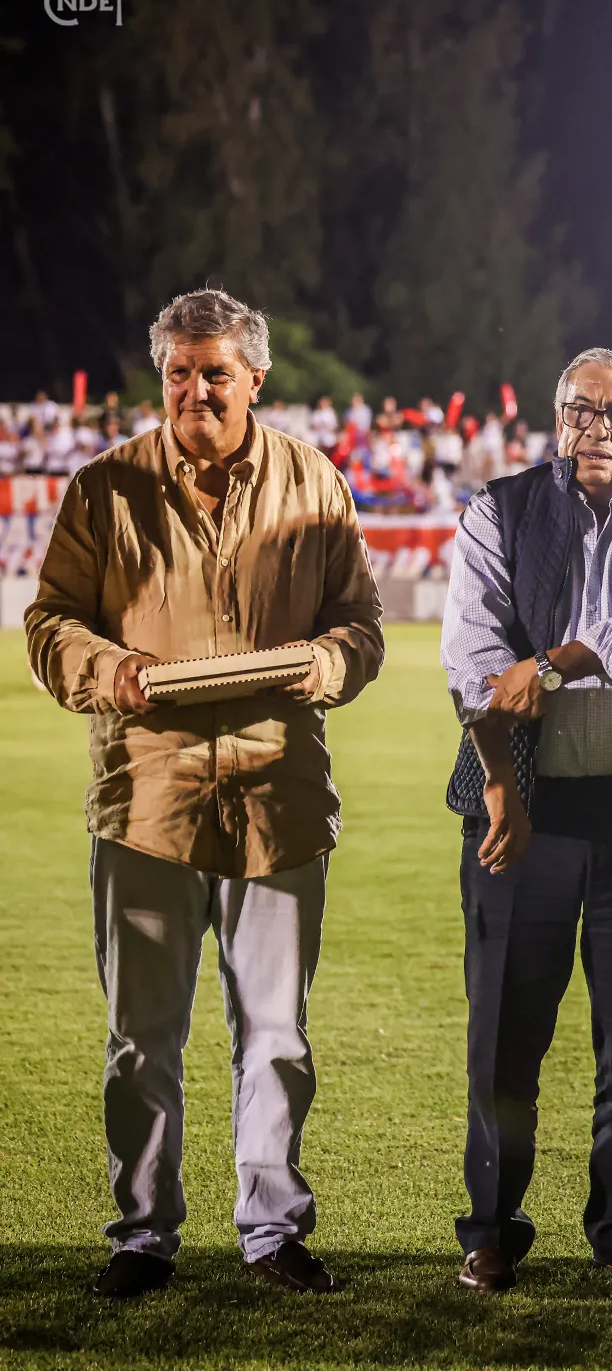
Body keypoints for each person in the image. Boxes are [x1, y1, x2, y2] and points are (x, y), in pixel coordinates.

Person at [25, 288, 384, 1299]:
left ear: (254, 378)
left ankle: (273, 1232)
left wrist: (330, 662)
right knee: (143, 1036)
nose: (195, 390)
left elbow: (360, 626)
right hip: (147, 799)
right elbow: (50, 625)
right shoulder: (105, 487)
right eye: (178, 372)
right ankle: (143, 1235)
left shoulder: (315, 483)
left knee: (277, 1036)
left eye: (214, 372)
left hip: (278, 797)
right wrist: (112, 670)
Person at [440, 347, 612, 1295]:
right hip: (518, 803)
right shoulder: (497, 509)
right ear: (557, 419)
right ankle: (491, 1228)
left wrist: (556, 664)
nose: (596, 430)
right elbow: (473, 656)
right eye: (579, 411)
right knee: (504, 1032)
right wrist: (501, 785)